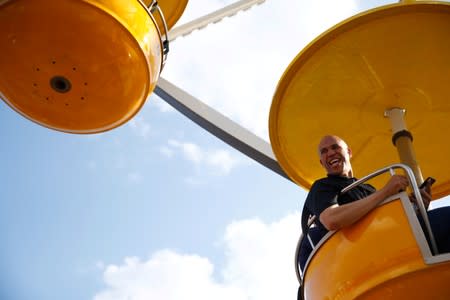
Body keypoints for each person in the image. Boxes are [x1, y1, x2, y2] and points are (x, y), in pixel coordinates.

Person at [299, 135, 450, 271]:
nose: (330, 153)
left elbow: (390, 218)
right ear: (321, 162)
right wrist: (385, 192)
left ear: (349, 152)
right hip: (360, 250)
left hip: (393, 241)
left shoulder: (368, 189)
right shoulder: (322, 186)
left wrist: (418, 206)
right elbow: (331, 219)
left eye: (335, 147)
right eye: (324, 151)